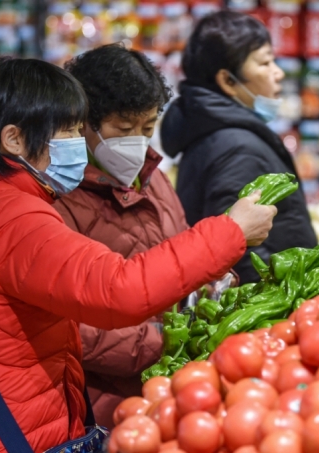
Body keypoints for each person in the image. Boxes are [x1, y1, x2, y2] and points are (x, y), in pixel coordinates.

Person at [0, 58, 276, 452]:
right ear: (14, 140)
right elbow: (119, 291)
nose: (78, 143)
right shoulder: (13, 218)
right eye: (69, 130)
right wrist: (230, 231)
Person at [54, 44, 197, 428]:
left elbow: (181, 253)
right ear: (84, 122)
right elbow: (69, 325)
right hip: (100, 405)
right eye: (123, 129)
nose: (137, 141)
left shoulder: (157, 180)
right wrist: (159, 342)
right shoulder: (58, 199)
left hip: (163, 391)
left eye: (147, 128)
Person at [161, 10, 317, 284]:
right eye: (265, 62)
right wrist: (277, 299)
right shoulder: (235, 146)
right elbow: (237, 249)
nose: (278, 72)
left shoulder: (218, 133)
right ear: (228, 81)